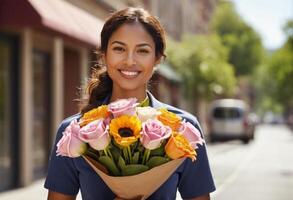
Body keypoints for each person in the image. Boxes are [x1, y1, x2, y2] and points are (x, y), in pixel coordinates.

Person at [44, 7, 216, 200]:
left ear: (157, 59)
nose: (129, 60)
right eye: (119, 49)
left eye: (142, 51)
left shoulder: (184, 130)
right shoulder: (74, 132)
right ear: (103, 55)